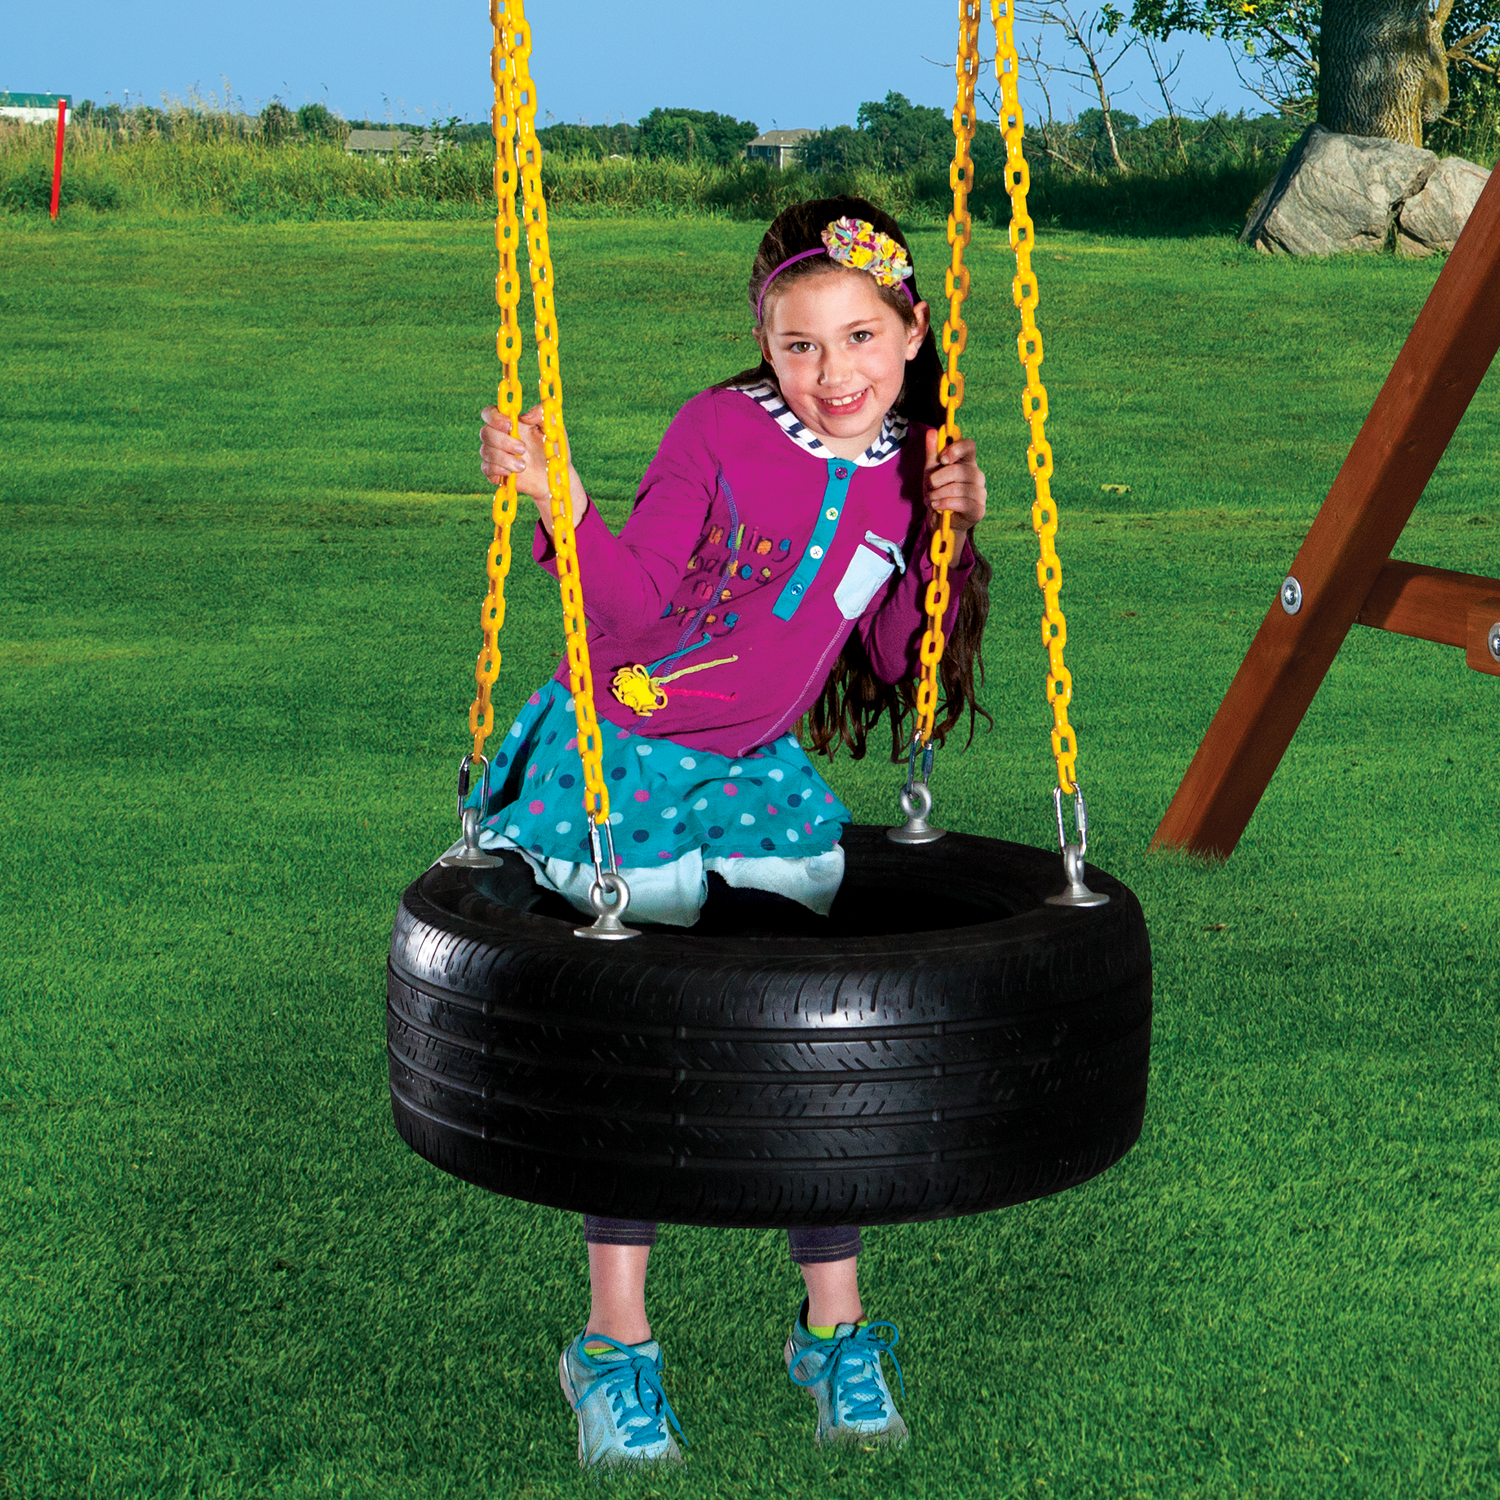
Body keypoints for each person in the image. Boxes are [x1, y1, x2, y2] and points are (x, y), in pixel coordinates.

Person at [475, 196, 990, 1468]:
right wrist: (566, 502)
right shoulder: (718, 431)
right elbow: (639, 617)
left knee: (805, 1033)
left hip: (756, 773)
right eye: (799, 345)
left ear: (913, 332)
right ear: (763, 343)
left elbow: (888, 649)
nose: (834, 376)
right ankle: (613, 1344)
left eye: (862, 338)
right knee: (646, 1035)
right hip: (627, 758)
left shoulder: (907, 468)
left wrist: (952, 536)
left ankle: (835, 1330)